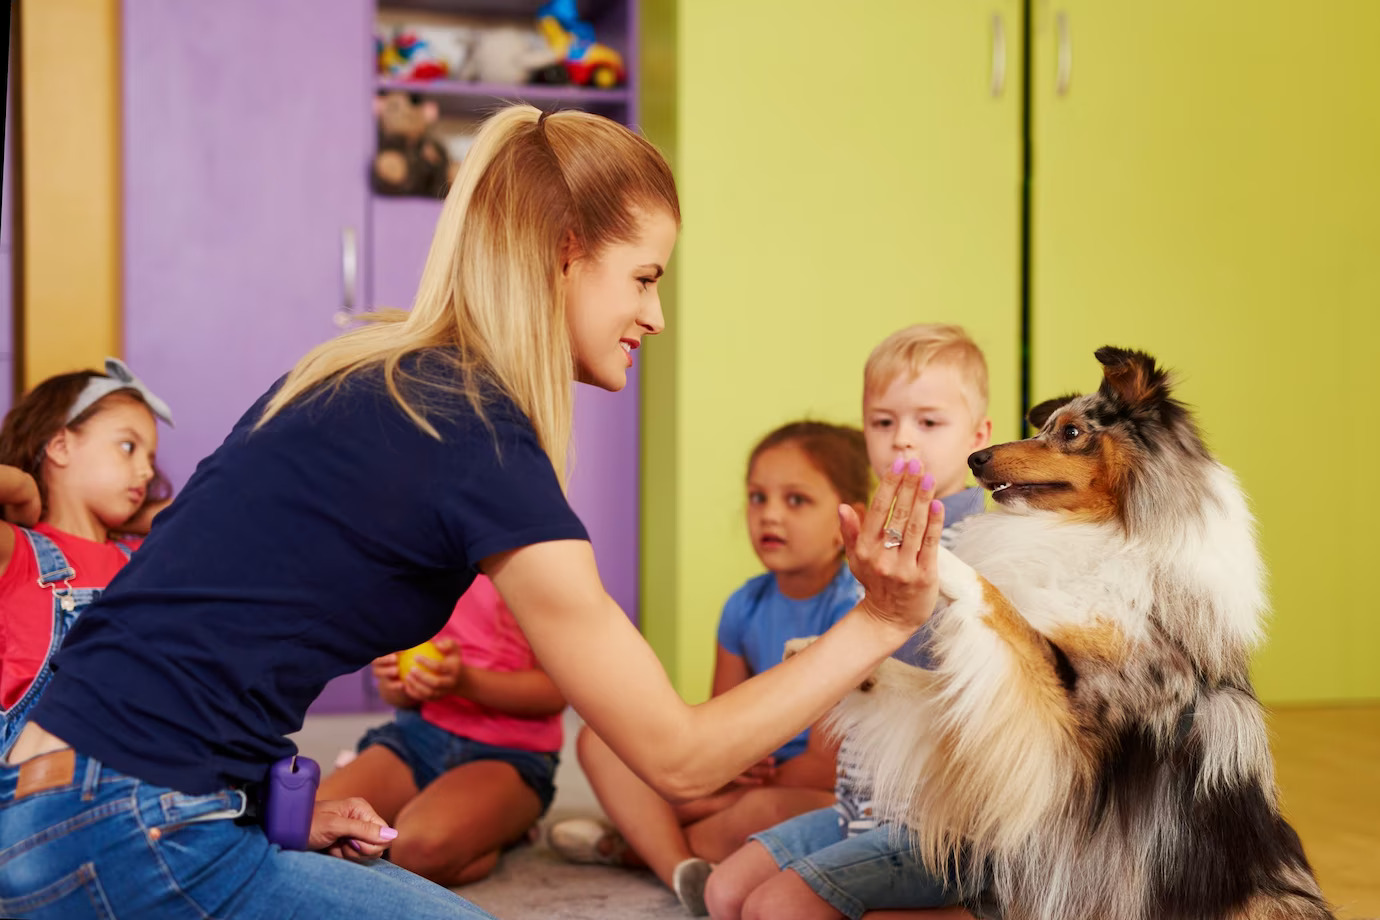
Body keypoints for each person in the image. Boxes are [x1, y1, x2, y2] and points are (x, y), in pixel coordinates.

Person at [0, 105, 945, 920]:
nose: (656, 316)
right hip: (134, 825)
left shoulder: (361, 374)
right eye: (646, 278)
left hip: (48, 793)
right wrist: (881, 618)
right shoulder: (477, 435)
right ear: (564, 254)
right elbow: (680, 756)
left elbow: (184, 612)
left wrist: (255, 798)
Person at [704, 324, 994, 920]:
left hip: (939, 821)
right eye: (883, 422)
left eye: (929, 423)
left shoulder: (988, 547)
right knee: (725, 893)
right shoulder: (871, 540)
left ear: (978, 436)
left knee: (779, 909)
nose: (902, 441)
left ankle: (989, 907)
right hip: (861, 801)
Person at [548, 420, 873, 914]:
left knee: (759, 812)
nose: (770, 516)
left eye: (797, 500)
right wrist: (727, 775)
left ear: (849, 520)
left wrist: (724, 793)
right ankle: (682, 868)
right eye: (757, 497)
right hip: (750, 778)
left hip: (817, 791)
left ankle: (638, 845)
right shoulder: (743, 606)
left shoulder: (854, 610)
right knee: (601, 742)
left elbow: (827, 768)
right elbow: (719, 723)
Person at [316, 575, 566, 886]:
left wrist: (464, 682)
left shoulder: (528, 570)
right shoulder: (412, 567)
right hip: (418, 736)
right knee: (314, 828)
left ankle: (503, 829)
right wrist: (396, 681)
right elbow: (397, 696)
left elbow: (556, 693)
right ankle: (445, 817)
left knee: (416, 852)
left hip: (508, 753)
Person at [0, 358, 174, 758]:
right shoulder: (18, 551)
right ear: (60, 446)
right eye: (128, 446)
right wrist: (23, 486)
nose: (146, 472)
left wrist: (144, 515)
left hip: (143, 786)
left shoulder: (144, 558)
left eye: (150, 458)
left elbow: (217, 519)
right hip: (42, 790)